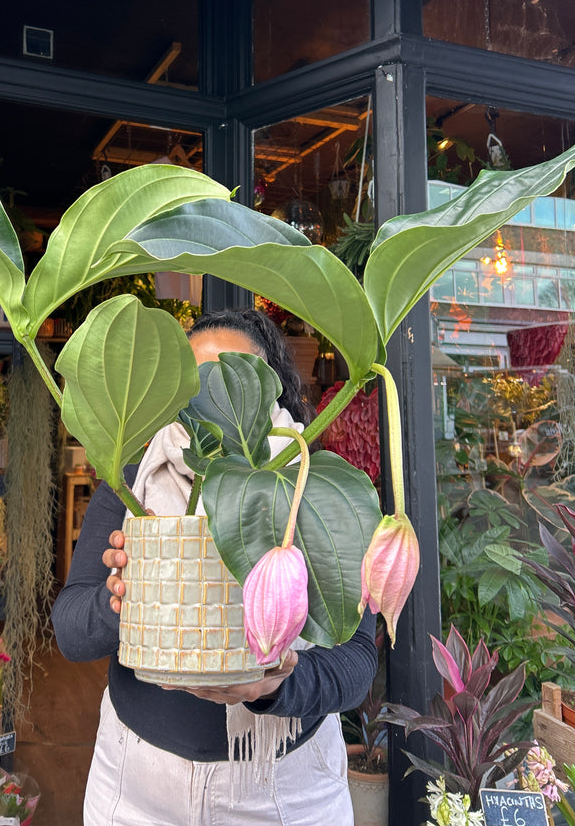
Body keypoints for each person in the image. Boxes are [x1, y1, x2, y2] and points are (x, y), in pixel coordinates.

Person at [52, 309, 377, 826]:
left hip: (282, 791)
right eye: (194, 387)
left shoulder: (315, 497)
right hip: (138, 786)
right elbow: (70, 630)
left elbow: (356, 663)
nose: (213, 402)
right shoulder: (133, 486)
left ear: (274, 398)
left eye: (233, 381)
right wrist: (133, 594)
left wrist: (274, 686)